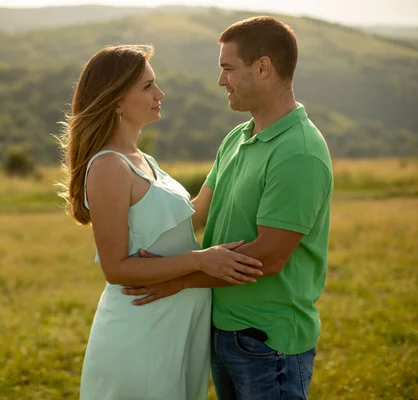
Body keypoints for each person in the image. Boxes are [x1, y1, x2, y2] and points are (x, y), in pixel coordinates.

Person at [123, 16, 334, 400]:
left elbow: (267, 258)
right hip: (223, 331)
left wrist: (179, 279)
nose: (221, 81)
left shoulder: (299, 152)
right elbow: (197, 212)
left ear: (263, 67)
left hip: (269, 343)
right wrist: (129, 211)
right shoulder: (238, 136)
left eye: (227, 68)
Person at [57, 45, 263, 400]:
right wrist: (201, 260)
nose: (159, 94)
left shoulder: (142, 159)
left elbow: (189, 219)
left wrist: (235, 154)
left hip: (175, 324)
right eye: (147, 87)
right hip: (142, 327)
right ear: (117, 101)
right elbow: (116, 269)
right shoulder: (109, 166)